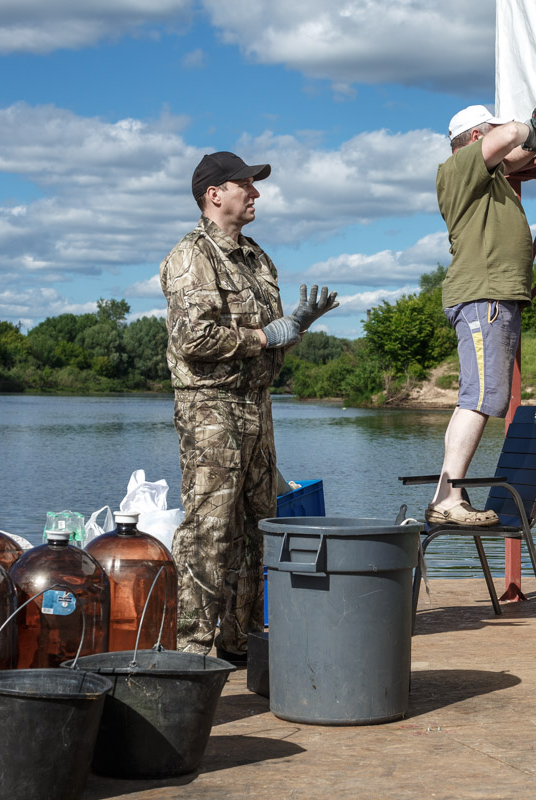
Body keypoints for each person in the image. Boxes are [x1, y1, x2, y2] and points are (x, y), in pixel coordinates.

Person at [160, 151, 338, 661]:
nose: (255, 193)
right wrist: (263, 336)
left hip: (258, 405)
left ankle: (240, 641)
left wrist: (294, 328)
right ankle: (191, 652)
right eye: (246, 185)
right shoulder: (191, 255)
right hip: (210, 408)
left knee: (256, 527)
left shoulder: (257, 258)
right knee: (210, 528)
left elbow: (268, 338)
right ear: (215, 194)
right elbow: (192, 338)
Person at [428, 105, 536, 526]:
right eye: (491, 129)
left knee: (481, 396)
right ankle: (448, 499)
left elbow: (511, 156)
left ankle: (446, 495)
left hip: (491, 297)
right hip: (483, 297)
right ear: (476, 138)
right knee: (481, 397)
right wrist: (530, 125)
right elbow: (506, 140)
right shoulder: (458, 167)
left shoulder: (487, 176)